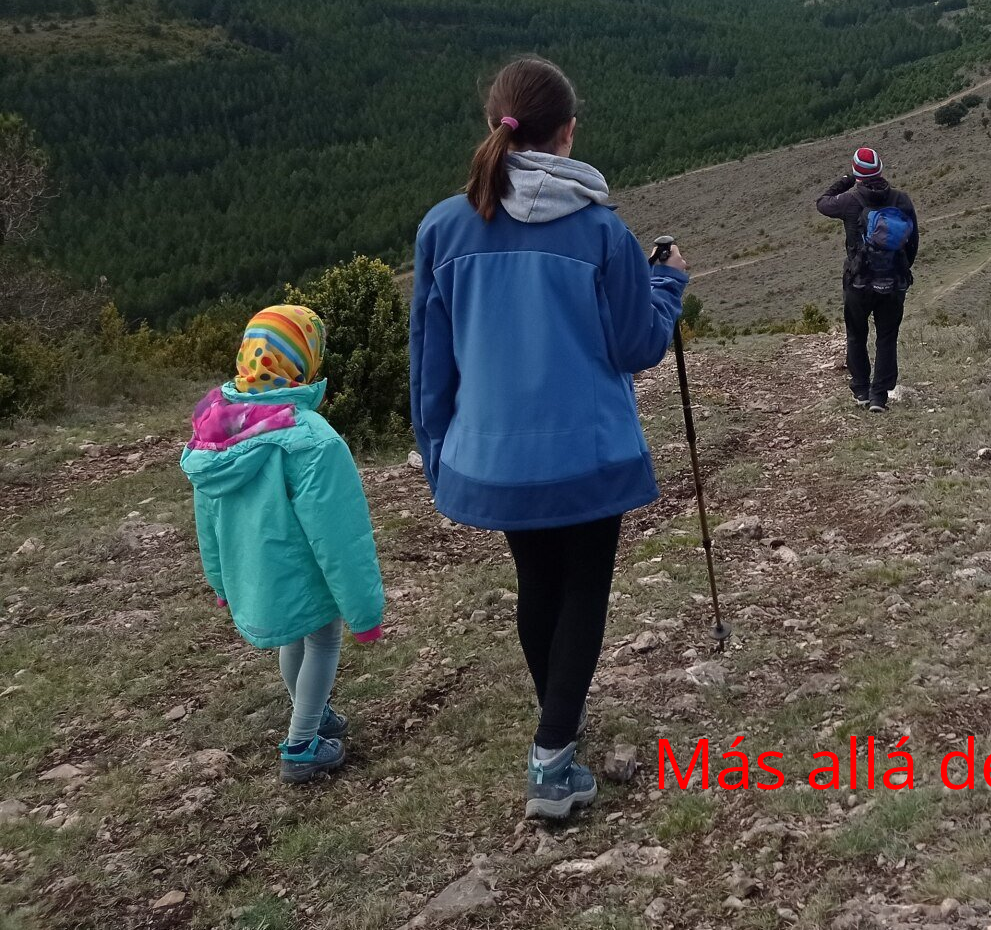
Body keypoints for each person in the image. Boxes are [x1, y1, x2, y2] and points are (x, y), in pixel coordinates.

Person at [410, 56, 688, 821]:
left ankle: (556, 716)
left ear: (496, 125)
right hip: (589, 453)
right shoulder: (603, 232)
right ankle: (553, 756)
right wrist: (668, 283)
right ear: (567, 134)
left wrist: (438, 452)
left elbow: (430, 360)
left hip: (496, 457)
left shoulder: (444, 227)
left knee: (539, 583)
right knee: (584, 587)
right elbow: (637, 346)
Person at [181, 305, 385, 786]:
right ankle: (301, 745)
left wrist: (219, 578)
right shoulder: (311, 437)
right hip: (305, 569)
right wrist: (364, 609)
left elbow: (206, 516)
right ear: (304, 364)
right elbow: (340, 533)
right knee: (322, 640)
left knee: (295, 640)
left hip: (256, 571)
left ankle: (310, 713)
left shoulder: (215, 428)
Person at [817, 146, 918, 413]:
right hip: (894, 282)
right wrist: (899, 269)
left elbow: (822, 202)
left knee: (856, 334)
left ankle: (861, 390)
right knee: (886, 337)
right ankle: (879, 397)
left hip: (858, 282)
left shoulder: (849, 201)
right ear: (881, 169)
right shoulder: (902, 200)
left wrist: (846, 180)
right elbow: (913, 243)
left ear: (857, 174)